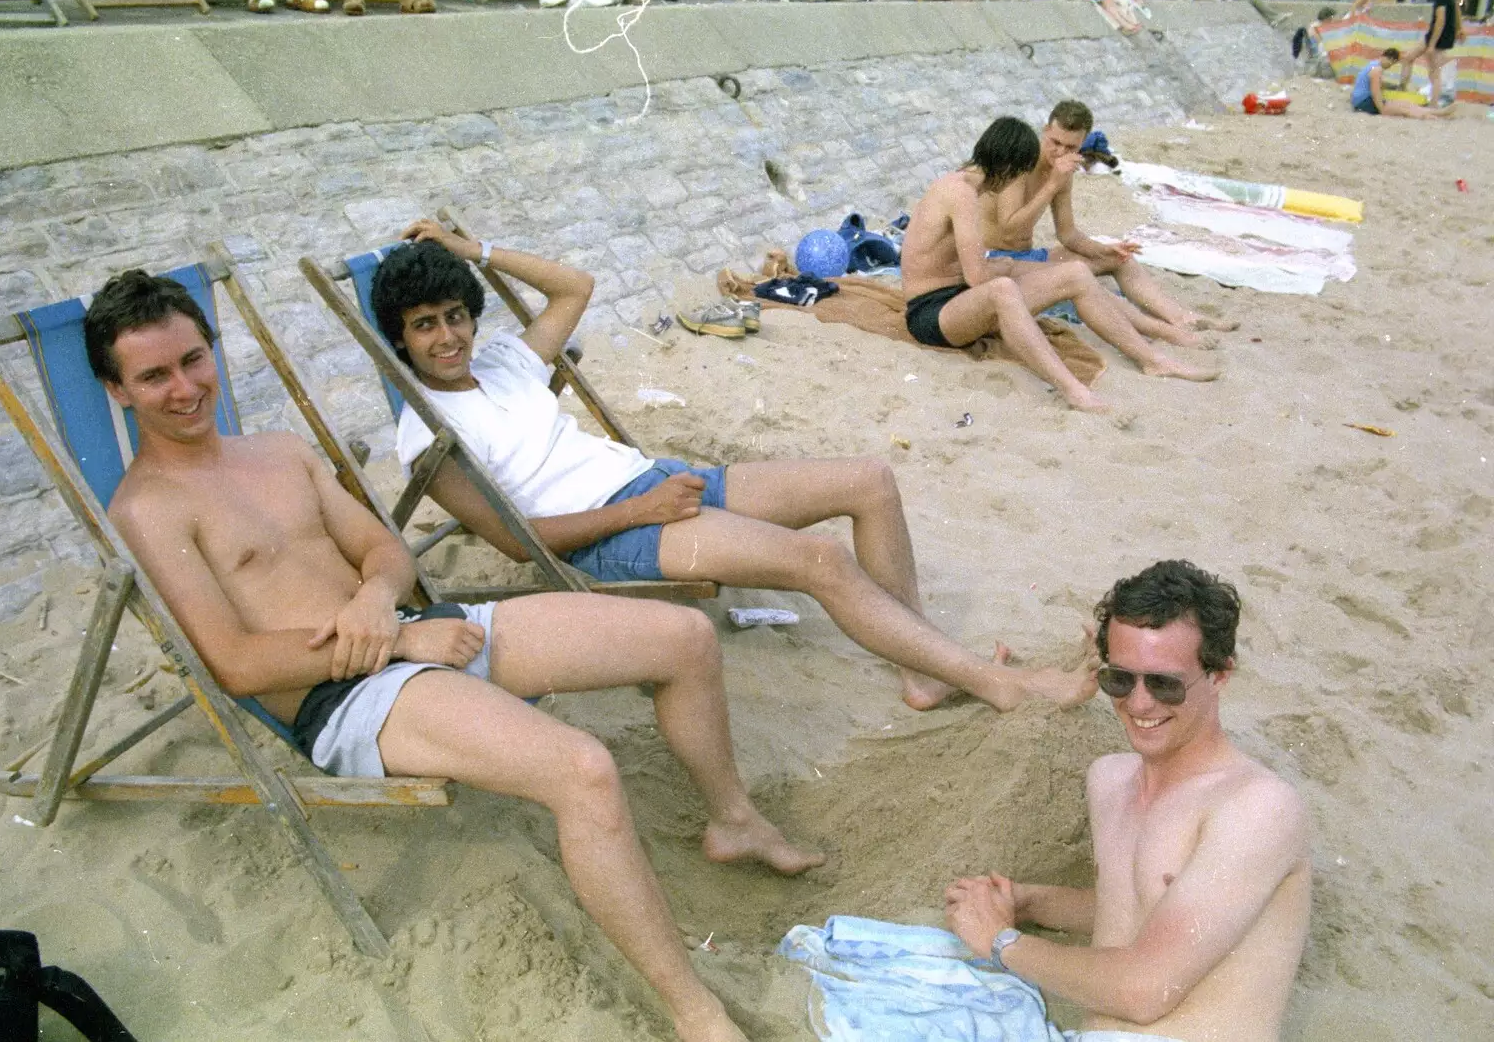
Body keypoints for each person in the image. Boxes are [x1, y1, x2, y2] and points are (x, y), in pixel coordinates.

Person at [86, 268, 826, 1042]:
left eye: (194, 360)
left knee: (684, 638)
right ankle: (695, 1011)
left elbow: (381, 545)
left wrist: (378, 597)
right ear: (118, 390)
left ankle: (733, 818)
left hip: (421, 627)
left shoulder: (277, 451)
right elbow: (234, 664)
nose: (184, 387)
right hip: (344, 697)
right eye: (154, 375)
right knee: (582, 769)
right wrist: (397, 639)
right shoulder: (148, 508)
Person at [373, 220, 1096, 713]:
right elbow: (514, 538)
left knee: (869, 480)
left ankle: (920, 666)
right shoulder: (427, 432)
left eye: (455, 315)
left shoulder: (501, 361)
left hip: (655, 480)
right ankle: (993, 683)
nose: (448, 337)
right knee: (818, 561)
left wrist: (475, 248)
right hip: (613, 531)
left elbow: (577, 286)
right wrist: (638, 513)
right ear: (400, 340)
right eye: (425, 325)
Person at [944, 560, 1311, 1042]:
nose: (1139, 705)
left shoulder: (1258, 807)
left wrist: (1002, 942)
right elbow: (1146, 909)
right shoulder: (1111, 779)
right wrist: (1031, 902)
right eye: (1120, 680)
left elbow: (1145, 989)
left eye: (1164, 683)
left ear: (1220, 676)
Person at [901, 117, 1218, 414]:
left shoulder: (968, 185)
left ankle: (1151, 360)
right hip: (930, 313)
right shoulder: (961, 193)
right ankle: (1072, 389)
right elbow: (976, 277)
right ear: (1009, 166)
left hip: (956, 296)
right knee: (1002, 287)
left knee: (1075, 274)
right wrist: (1007, 272)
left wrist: (1012, 268)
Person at [985, 101, 1235, 340]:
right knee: (1079, 278)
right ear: (1046, 130)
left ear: (1082, 143)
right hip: (996, 260)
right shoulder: (1020, 162)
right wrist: (1052, 185)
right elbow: (1009, 229)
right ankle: (1158, 330)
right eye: (1055, 142)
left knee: (1120, 258)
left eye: (1071, 147)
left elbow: (1068, 234)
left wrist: (1105, 250)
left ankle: (1180, 317)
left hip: (1027, 256)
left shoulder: (1062, 171)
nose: (1060, 152)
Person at [1397, 0, 1465, 106]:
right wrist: (1460, 28)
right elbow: (1457, 8)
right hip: (1443, 34)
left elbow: (1440, 19)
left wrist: (1432, 45)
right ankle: (1402, 90)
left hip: (1438, 35)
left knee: (1434, 73)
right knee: (1408, 58)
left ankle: (1433, 105)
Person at [1352, 47, 1455, 118]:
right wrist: (1383, 109)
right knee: (1402, 108)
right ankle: (1429, 114)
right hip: (1364, 103)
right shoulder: (1377, 70)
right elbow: (1375, 92)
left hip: (1361, 102)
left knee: (1404, 104)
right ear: (1390, 59)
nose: (1390, 66)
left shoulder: (1372, 65)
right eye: (1392, 63)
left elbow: (1377, 85)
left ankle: (1436, 113)